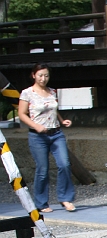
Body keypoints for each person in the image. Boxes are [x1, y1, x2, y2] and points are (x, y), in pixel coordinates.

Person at [18, 63, 74, 213]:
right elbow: (22, 114)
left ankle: (65, 198)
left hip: (56, 133)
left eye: (46, 75)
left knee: (64, 164)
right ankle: (41, 203)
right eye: (40, 75)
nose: (43, 78)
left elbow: (53, 109)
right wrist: (36, 126)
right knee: (42, 170)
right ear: (34, 75)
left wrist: (62, 120)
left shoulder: (52, 91)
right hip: (38, 136)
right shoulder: (27, 93)